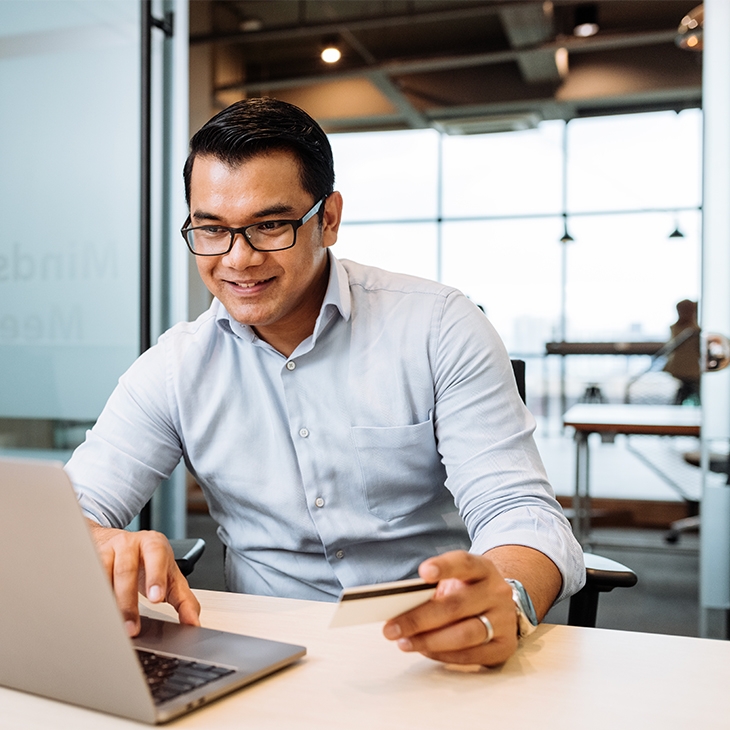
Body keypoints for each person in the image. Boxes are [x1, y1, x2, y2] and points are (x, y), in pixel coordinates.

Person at [66, 97, 584, 668]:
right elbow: (69, 512)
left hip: (426, 648)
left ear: (329, 218)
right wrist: (101, 544)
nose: (237, 259)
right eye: (212, 230)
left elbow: (518, 510)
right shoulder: (175, 366)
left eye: (270, 226)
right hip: (260, 655)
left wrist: (504, 598)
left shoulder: (438, 325)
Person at [663, 299, 701, 405]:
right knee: (688, 390)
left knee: (686, 391)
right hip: (685, 367)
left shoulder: (692, 329)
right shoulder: (686, 329)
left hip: (690, 368)